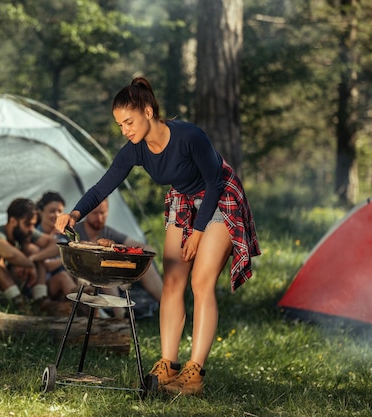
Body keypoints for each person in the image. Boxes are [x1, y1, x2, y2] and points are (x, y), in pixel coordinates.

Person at [55, 77, 260, 396]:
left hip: (218, 197)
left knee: (201, 282)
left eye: (129, 122)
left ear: (148, 112)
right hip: (183, 200)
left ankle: (195, 373)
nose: (125, 130)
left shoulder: (189, 136)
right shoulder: (134, 150)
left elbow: (215, 182)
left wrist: (199, 231)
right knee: (173, 283)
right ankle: (168, 364)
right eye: (120, 124)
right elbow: (102, 187)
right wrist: (74, 214)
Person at [0, 198, 61, 311]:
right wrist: (30, 264)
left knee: (34, 250)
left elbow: (57, 244)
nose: (31, 229)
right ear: (13, 221)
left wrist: (33, 258)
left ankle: (41, 299)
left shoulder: (25, 233)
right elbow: (10, 254)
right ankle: (17, 301)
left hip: (1, 287)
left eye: (33, 225)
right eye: (28, 224)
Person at [73, 198, 163, 318]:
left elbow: (145, 248)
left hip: (112, 280)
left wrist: (128, 251)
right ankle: (119, 315)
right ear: (87, 213)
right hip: (83, 278)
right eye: (95, 213)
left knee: (147, 267)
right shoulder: (77, 232)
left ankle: (168, 305)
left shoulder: (108, 233)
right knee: (104, 269)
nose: (99, 218)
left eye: (103, 213)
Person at [34, 191, 80, 301]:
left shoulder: (63, 235)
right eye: (51, 211)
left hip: (61, 280)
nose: (56, 215)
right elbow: (46, 266)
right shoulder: (34, 234)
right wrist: (67, 259)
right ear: (40, 212)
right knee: (63, 276)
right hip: (42, 284)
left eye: (59, 211)